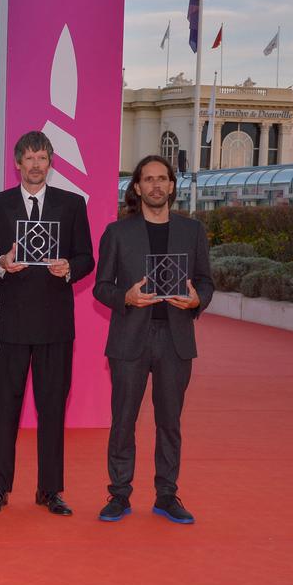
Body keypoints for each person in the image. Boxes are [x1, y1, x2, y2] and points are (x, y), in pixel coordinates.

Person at [0, 131, 94, 516]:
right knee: (5, 409)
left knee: (52, 409)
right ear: (17, 164)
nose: (35, 165)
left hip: (56, 324)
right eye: (28, 158)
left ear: (51, 162)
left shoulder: (72, 204)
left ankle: (50, 489)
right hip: (11, 321)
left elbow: (86, 257)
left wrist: (70, 268)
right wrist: (2, 264)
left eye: (41, 157)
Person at [93, 155, 213, 524]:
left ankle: (167, 494)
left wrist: (197, 300)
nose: (156, 185)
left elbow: (206, 281)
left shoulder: (192, 231)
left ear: (172, 186)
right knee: (123, 420)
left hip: (175, 340)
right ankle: (118, 494)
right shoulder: (118, 232)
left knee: (170, 422)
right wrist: (125, 298)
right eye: (148, 179)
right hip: (130, 338)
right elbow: (101, 286)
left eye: (163, 179)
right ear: (138, 187)